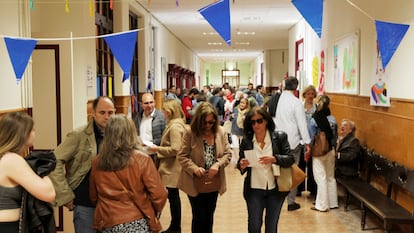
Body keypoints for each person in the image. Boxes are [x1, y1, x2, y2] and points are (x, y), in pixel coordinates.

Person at [89, 114, 168, 233]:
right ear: (131, 133)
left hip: (107, 221)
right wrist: (152, 210)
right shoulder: (142, 159)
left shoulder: (97, 161)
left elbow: (93, 196)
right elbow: (159, 195)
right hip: (137, 219)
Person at [49, 96, 116, 233]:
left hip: (111, 203)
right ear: (93, 113)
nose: (107, 117)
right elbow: (55, 161)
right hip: (85, 203)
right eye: (102, 113)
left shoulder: (117, 135)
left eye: (110, 113)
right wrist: (65, 195)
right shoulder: (79, 135)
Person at [176, 102, 232, 233]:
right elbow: (182, 156)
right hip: (194, 182)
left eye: (211, 122)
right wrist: (194, 168)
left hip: (213, 182)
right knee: (199, 217)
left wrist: (218, 164)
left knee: (209, 216)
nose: (208, 126)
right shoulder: (190, 132)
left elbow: (228, 154)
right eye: (204, 123)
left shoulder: (220, 131)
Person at [237, 107, 294, 233]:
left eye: (259, 121)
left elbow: (290, 158)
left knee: (271, 226)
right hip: (254, 190)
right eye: (252, 122)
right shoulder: (247, 140)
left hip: (275, 189)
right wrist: (242, 165)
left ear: (266, 120)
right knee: (254, 225)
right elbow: (240, 162)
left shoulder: (279, 137)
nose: (256, 125)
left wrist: (274, 159)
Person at [0, 112, 56, 233]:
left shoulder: (5, 158)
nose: (35, 133)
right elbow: (48, 193)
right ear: (23, 134)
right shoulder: (12, 160)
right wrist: (44, 171)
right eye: (33, 129)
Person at [148, 99, 187, 233]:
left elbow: (176, 149)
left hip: (172, 168)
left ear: (170, 112)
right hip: (171, 168)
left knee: (173, 198)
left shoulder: (175, 127)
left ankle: (175, 227)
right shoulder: (175, 124)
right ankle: (175, 226)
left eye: (164, 110)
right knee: (173, 198)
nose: (162, 112)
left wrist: (157, 149)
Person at [274, 76, 311, 211]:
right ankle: (291, 202)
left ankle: (277, 199)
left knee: (280, 170)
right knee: (292, 171)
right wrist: (307, 142)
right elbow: (302, 124)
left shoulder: (278, 99)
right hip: (293, 141)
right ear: (296, 87)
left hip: (278, 140)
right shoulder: (296, 103)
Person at [308, 95, 339, 212]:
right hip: (331, 150)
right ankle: (333, 202)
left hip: (319, 152)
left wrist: (309, 149)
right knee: (330, 176)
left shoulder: (314, 119)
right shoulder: (333, 119)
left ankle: (322, 205)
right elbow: (335, 136)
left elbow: (311, 138)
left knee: (320, 177)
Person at [134, 93, 166, 164]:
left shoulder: (161, 117)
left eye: (151, 102)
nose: (149, 105)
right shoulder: (137, 118)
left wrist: (149, 143)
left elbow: (165, 138)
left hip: (155, 155)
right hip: (140, 154)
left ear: (155, 102)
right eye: (146, 103)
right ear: (141, 104)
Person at [297, 85, 318, 196]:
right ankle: (298, 189)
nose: (310, 96)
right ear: (304, 95)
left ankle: (312, 188)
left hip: (313, 139)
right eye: (308, 94)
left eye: (312, 94)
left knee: (311, 165)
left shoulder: (317, 107)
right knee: (300, 164)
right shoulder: (300, 107)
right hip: (300, 139)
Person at [230, 97, 249, 166]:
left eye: (243, 103)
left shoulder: (248, 112)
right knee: (235, 146)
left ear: (246, 105)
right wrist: (231, 117)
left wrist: (245, 119)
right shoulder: (235, 109)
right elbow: (230, 118)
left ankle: (242, 160)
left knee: (242, 147)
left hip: (243, 132)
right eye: (241, 102)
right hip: (234, 130)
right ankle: (237, 160)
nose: (242, 104)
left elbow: (250, 122)